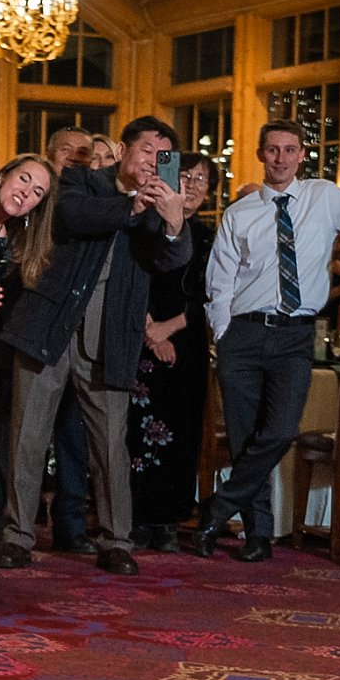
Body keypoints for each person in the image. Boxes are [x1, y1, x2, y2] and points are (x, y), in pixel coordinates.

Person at [0, 117, 192, 576]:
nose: (151, 163)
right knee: (27, 436)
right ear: (123, 150)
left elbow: (170, 261)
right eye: (146, 151)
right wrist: (130, 205)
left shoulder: (162, 204)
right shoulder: (83, 180)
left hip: (110, 337)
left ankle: (116, 540)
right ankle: (16, 536)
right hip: (50, 325)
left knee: (110, 447)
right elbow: (71, 216)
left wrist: (173, 222)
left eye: (162, 157)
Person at [193, 125, 340, 561]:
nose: (281, 158)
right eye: (273, 150)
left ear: (302, 155)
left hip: (295, 334)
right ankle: (258, 536)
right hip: (243, 334)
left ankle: (217, 507)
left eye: (289, 150)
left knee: (281, 431)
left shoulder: (324, 197)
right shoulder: (240, 213)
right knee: (245, 435)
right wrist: (226, 334)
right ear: (260, 154)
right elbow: (220, 282)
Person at [126, 151, 216, 551]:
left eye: (202, 180)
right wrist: (150, 330)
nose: (193, 186)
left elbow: (213, 297)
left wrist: (170, 328)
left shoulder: (214, 236)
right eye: (186, 177)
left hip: (188, 341)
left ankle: (169, 521)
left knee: (182, 430)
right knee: (135, 430)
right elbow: (131, 280)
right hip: (139, 339)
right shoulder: (145, 226)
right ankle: (134, 517)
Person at [0, 155, 56, 535]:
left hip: (2, 346)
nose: (26, 193)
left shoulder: (23, 240)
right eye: (23, 180)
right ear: (2, 177)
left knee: (1, 429)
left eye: (36, 192)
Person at [41, 127, 95, 553]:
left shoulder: (96, 202)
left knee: (74, 437)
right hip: (33, 327)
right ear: (48, 155)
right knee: (22, 436)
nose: (75, 158)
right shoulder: (34, 194)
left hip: (83, 335)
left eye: (84, 153)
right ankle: (9, 525)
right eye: (66, 151)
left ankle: (71, 526)